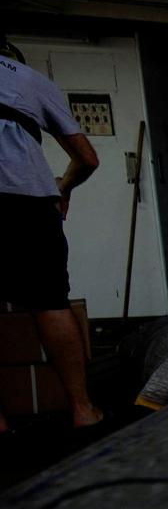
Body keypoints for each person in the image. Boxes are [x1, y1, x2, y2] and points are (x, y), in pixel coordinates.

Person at [0, 37, 103, 432]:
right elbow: (87, 158)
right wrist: (63, 188)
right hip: (27, 203)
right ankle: (82, 409)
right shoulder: (29, 79)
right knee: (50, 301)